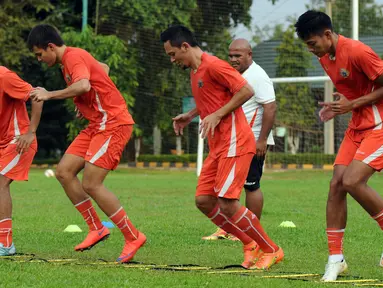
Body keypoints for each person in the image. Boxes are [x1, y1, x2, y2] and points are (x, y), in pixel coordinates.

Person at [161, 25, 283, 270]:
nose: (172, 60)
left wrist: (217, 115)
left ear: (185, 46)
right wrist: (191, 114)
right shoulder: (195, 71)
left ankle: (271, 249)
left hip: (236, 142)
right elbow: (216, 98)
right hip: (218, 146)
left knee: (228, 203)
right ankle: (250, 243)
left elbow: (245, 90)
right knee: (204, 200)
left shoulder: (214, 65)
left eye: (173, 54)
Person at [26, 24, 146, 263]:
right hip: (96, 125)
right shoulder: (69, 62)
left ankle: (133, 236)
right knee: (64, 172)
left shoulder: (73, 57)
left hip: (112, 123)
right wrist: (85, 100)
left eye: (40, 54)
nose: (39, 59)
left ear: (51, 47)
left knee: (91, 183)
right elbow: (102, 68)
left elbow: (83, 84)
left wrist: (50, 94)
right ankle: (96, 228)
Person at [295, 10, 383, 281]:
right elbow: (355, 89)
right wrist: (338, 105)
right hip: (357, 124)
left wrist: (351, 104)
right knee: (336, 184)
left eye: (312, 43)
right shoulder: (325, 57)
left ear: (328, 34)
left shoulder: (358, 51)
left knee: (353, 181)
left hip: (380, 123)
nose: (311, 50)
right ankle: (336, 259)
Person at [202, 39, 276, 242]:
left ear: (249, 55)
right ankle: (227, 229)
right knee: (223, 187)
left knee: (251, 185)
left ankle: (253, 229)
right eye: (231, 55)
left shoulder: (258, 76)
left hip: (251, 140)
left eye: (238, 56)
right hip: (232, 139)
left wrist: (261, 140)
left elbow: (270, 107)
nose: (233, 59)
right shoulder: (232, 74)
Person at [0, 66, 43, 256]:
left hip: (18, 141)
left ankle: (5, 243)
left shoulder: (4, 76)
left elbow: (37, 96)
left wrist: (31, 132)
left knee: (0, 184)